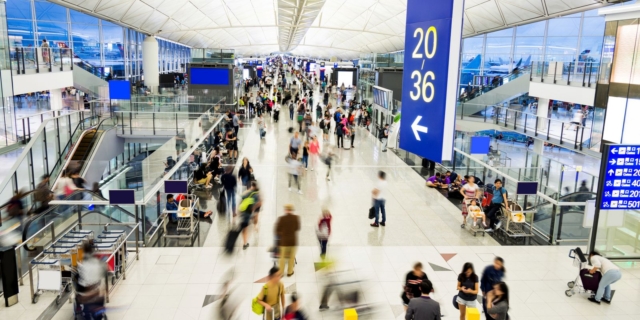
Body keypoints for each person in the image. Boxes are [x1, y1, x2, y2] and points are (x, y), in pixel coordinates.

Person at [76, 241, 107, 319]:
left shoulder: (82, 266)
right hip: (99, 296)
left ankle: (81, 310)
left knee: (79, 294)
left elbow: (81, 285)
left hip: (87, 297)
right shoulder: (99, 263)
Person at [275, 204, 300, 277]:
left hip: (284, 242)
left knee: (282, 257)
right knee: (292, 257)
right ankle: (289, 272)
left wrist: (282, 233)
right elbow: (297, 228)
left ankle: (281, 272)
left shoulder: (281, 218)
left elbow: (277, 230)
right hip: (293, 241)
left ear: (285, 210)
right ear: (292, 210)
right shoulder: (296, 218)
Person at [239, 181, 261, 249]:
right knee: (246, 227)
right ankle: (245, 243)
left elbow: (241, 199)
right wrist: (253, 208)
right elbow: (259, 203)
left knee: (244, 228)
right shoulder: (256, 194)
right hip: (248, 213)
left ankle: (245, 243)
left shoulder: (247, 192)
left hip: (243, 211)